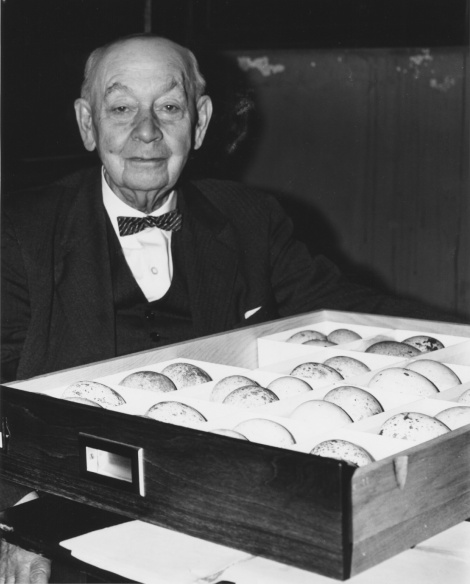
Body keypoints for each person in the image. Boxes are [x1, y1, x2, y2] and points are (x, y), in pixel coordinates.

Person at [0, 33, 463, 582]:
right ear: (86, 123)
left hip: (226, 510)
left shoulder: (251, 220)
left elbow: (351, 311)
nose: (146, 131)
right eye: (121, 108)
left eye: (169, 107)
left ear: (199, 122)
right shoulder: (20, 233)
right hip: (69, 505)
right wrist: (18, 524)